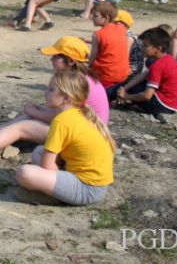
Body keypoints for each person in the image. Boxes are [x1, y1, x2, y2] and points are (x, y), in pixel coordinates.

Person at [0, 37, 109, 166]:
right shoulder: (77, 79)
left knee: (23, 127)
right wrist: (37, 111)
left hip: (82, 138)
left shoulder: (77, 84)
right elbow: (65, 115)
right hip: (79, 131)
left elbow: (63, 120)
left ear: (71, 61)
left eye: (56, 56)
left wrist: (35, 112)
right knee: (28, 118)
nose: (51, 59)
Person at [14, 68, 116, 206]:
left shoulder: (61, 121)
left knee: (24, 173)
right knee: (39, 151)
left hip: (87, 189)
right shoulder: (80, 113)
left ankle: (54, 196)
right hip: (97, 184)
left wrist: (45, 179)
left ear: (66, 98)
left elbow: (47, 166)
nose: (45, 93)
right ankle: (58, 190)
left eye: (51, 90)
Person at [115, 27, 177, 117]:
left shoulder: (158, 65)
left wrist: (126, 96)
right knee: (133, 83)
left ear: (158, 48)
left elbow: (147, 96)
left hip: (164, 106)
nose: (142, 48)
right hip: (173, 105)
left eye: (146, 46)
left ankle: (105, 96)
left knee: (136, 88)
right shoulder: (167, 59)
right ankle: (110, 94)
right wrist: (125, 88)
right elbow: (143, 75)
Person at [87, 1, 131, 98]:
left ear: (105, 18)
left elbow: (92, 59)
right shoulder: (121, 28)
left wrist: (86, 65)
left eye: (95, 16)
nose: (92, 18)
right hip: (123, 75)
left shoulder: (98, 34)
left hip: (105, 76)